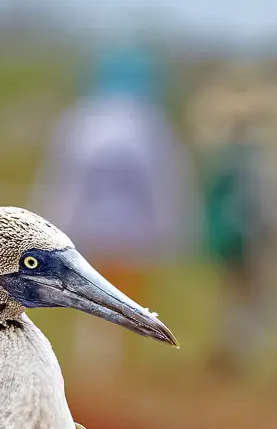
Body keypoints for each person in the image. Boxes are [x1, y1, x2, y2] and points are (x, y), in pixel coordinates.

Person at [33, 46, 191, 373]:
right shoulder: (150, 124)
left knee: (90, 294)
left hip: (88, 227)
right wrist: (170, 228)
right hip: (132, 230)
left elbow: (63, 181)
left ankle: (98, 365)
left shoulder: (80, 121)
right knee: (126, 299)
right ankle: (114, 368)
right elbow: (163, 184)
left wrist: (49, 228)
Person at [188, 75, 277, 370]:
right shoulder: (260, 160)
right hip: (252, 237)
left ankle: (233, 348)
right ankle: (244, 351)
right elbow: (266, 205)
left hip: (228, 238)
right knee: (254, 296)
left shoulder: (220, 155)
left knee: (233, 295)